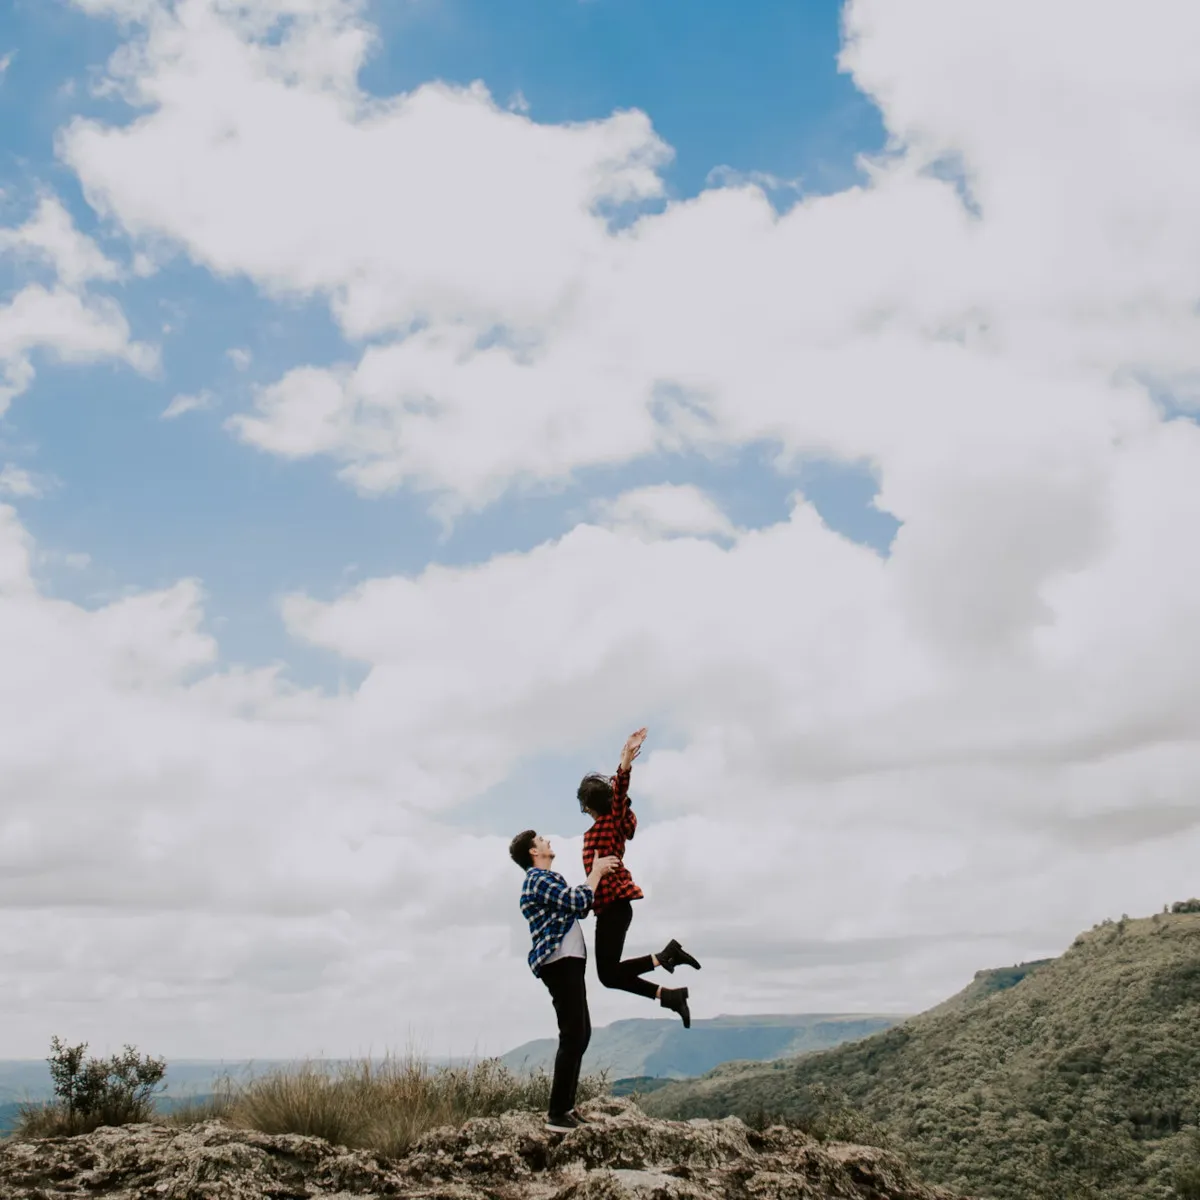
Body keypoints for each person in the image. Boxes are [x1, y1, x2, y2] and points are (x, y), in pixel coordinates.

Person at [579, 726, 701, 1027]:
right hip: (609, 909)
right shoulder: (601, 828)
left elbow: (619, 792)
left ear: (588, 806)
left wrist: (625, 763)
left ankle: (667, 961)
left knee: (608, 974)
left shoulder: (610, 823)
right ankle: (669, 991)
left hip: (615, 907)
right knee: (609, 975)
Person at [510, 827, 619, 1133]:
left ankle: (567, 1108)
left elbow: (580, 907)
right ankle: (557, 1113)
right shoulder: (537, 879)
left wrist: (590, 885)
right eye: (541, 840)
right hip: (559, 962)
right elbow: (576, 900)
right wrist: (596, 872)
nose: (547, 841)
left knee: (580, 1032)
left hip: (568, 961)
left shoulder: (547, 879)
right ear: (534, 852)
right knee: (573, 1033)